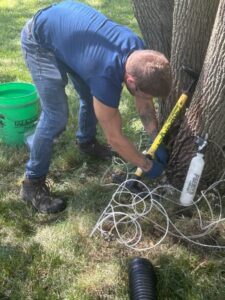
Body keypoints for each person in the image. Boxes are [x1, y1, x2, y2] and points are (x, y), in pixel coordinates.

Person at [20, 0, 172, 214]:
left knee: (89, 96)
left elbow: (145, 107)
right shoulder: (105, 78)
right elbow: (115, 139)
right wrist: (147, 166)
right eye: (143, 94)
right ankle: (32, 183)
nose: (146, 100)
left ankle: (86, 142)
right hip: (40, 41)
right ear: (130, 81)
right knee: (56, 116)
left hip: (69, 37)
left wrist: (155, 138)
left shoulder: (140, 54)